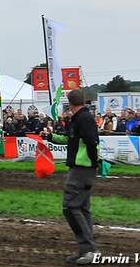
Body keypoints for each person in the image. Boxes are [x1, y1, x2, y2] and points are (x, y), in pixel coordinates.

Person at [40, 89, 100, 264]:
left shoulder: (84, 119)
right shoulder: (80, 118)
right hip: (82, 168)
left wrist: (94, 162)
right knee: (82, 209)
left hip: (82, 169)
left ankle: (90, 249)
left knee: (70, 207)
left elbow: (91, 142)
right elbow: (69, 139)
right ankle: (85, 250)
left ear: (70, 103)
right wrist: (50, 136)